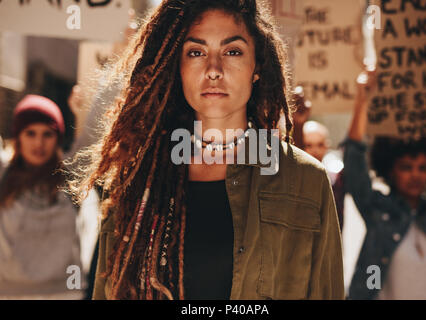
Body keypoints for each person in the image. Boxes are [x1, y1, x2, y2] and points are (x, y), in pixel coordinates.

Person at [70, 0, 344, 300]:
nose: (214, 70)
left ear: (257, 67)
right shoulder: (137, 179)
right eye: (196, 52)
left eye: (233, 51)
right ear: (179, 68)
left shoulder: (305, 180)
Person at [343, 68, 426, 300]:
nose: (415, 175)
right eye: (406, 167)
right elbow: (354, 163)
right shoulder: (379, 211)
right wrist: (363, 101)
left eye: (422, 168)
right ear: (390, 170)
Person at [0, 95, 84, 299]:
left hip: (64, 293)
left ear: (58, 138)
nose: (39, 142)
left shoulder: (72, 177)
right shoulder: (4, 176)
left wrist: (83, 108)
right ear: (18, 136)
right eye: (30, 133)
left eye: (47, 134)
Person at [303, 121, 344, 231]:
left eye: (320, 144)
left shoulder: (336, 176)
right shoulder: (293, 175)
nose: (314, 150)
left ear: (327, 145)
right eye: (308, 145)